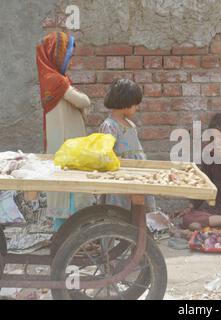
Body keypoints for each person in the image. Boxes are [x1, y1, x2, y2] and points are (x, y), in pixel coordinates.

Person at [36, 32, 94, 231]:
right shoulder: (57, 81)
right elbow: (83, 101)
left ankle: (63, 235)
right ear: (56, 55)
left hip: (62, 142)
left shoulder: (50, 78)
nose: (70, 61)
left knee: (64, 191)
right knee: (69, 190)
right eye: (68, 56)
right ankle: (69, 237)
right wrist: (83, 102)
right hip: (66, 144)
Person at [99, 78, 156, 212]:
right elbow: (106, 154)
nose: (137, 107)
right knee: (120, 211)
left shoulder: (131, 125)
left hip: (136, 175)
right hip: (121, 176)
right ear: (125, 103)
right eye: (135, 104)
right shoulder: (110, 126)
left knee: (137, 208)